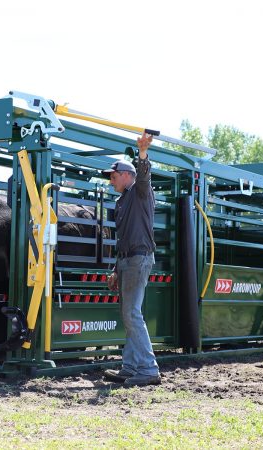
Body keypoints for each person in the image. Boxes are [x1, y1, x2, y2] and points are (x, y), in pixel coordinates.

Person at [102, 131, 161, 387]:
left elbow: (145, 176)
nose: (111, 181)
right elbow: (123, 239)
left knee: (132, 314)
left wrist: (143, 154)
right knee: (128, 314)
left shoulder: (140, 192)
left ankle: (148, 369)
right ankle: (130, 367)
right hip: (127, 261)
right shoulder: (121, 201)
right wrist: (116, 269)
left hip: (139, 259)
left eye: (114, 177)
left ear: (128, 175)